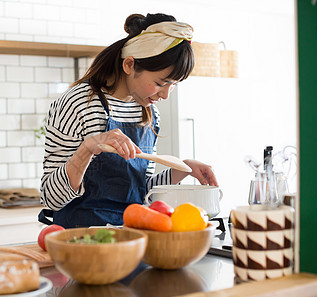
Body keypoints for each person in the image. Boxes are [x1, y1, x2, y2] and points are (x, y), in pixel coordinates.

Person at [39, 13, 218, 228]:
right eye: (161, 83)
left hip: (133, 237)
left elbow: (140, 191)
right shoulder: (78, 104)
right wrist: (87, 148)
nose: (165, 95)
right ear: (129, 65)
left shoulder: (148, 112)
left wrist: (181, 170)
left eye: (174, 85)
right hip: (82, 242)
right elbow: (51, 198)